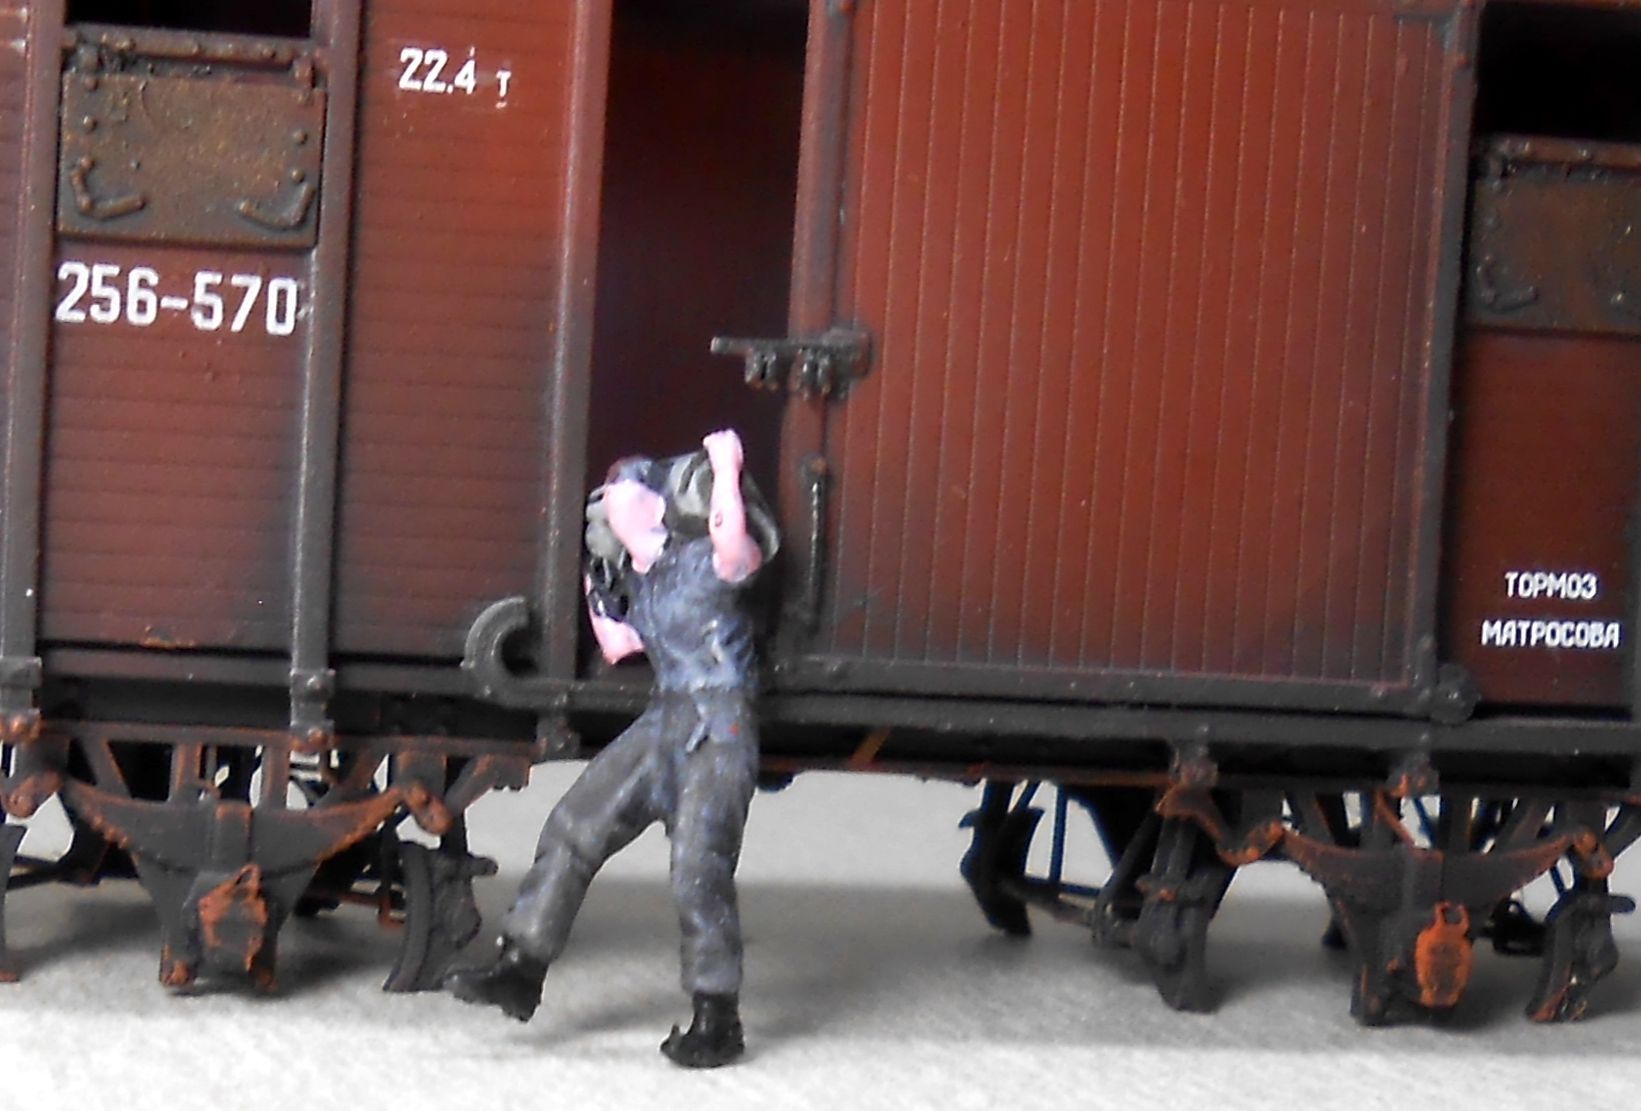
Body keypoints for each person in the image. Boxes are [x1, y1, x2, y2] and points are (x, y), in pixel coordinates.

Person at [446, 429, 773, 1069]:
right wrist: (598, 576)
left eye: (625, 496)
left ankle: (717, 1015)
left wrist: (726, 464)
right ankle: (521, 969)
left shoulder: (706, 559)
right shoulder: (649, 580)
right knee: (577, 824)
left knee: (698, 866)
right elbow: (620, 645)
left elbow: (738, 546)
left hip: (720, 722)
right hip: (668, 714)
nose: (614, 503)